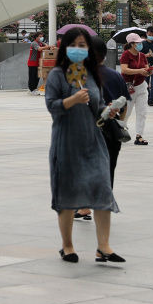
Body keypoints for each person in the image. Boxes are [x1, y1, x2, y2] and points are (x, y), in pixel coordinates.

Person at [47, 27, 121, 265]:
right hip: (66, 143)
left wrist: (108, 111)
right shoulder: (57, 74)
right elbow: (52, 106)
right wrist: (72, 100)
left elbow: (97, 107)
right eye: (74, 45)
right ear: (65, 48)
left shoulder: (91, 75)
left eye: (83, 45)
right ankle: (67, 245)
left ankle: (104, 246)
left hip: (93, 140)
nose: (79, 49)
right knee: (67, 193)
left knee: (102, 188)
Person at [93, 35, 129, 187]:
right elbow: (124, 105)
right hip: (111, 132)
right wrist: (119, 121)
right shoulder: (116, 75)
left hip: (89, 131)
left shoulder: (81, 77)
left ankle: (83, 207)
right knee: (108, 169)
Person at [118, 32, 151, 145]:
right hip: (128, 87)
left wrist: (148, 71)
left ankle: (139, 136)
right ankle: (120, 133)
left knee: (142, 112)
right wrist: (139, 71)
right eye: (138, 43)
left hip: (141, 86)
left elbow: (146, 68)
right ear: (132, 44)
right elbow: (124, 70)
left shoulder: (142, 55)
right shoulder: (126, 55)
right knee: (126, 112)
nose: (140, 44)